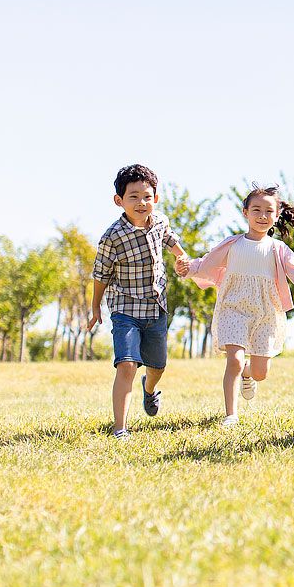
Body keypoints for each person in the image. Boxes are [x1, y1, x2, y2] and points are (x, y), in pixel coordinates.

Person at [181, 185, 294, 426]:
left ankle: (248, 372)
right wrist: (188, 268)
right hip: (233, 307)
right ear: (245, 212)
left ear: (276, 216)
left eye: (268, 211)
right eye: (256, 210)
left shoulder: (278, 249)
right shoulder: (233, 244)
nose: (262, 216)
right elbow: (207, 262)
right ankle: (230, 415)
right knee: (233, 359)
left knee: (260, 372)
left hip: (266, 312)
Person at [89, 164, 189, 440]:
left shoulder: (160, 221)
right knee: (127, 363)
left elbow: (171, 241)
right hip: (124, 307)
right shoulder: (112, 237)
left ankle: (149, 388)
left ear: (155, 198)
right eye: (133, 197)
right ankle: (120, 428)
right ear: (119, 201)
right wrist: (96, 306)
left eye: (147, 196)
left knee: (158, 366)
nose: (141, 202)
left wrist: (183, 259)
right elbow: (100, 274)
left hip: (156, 306)